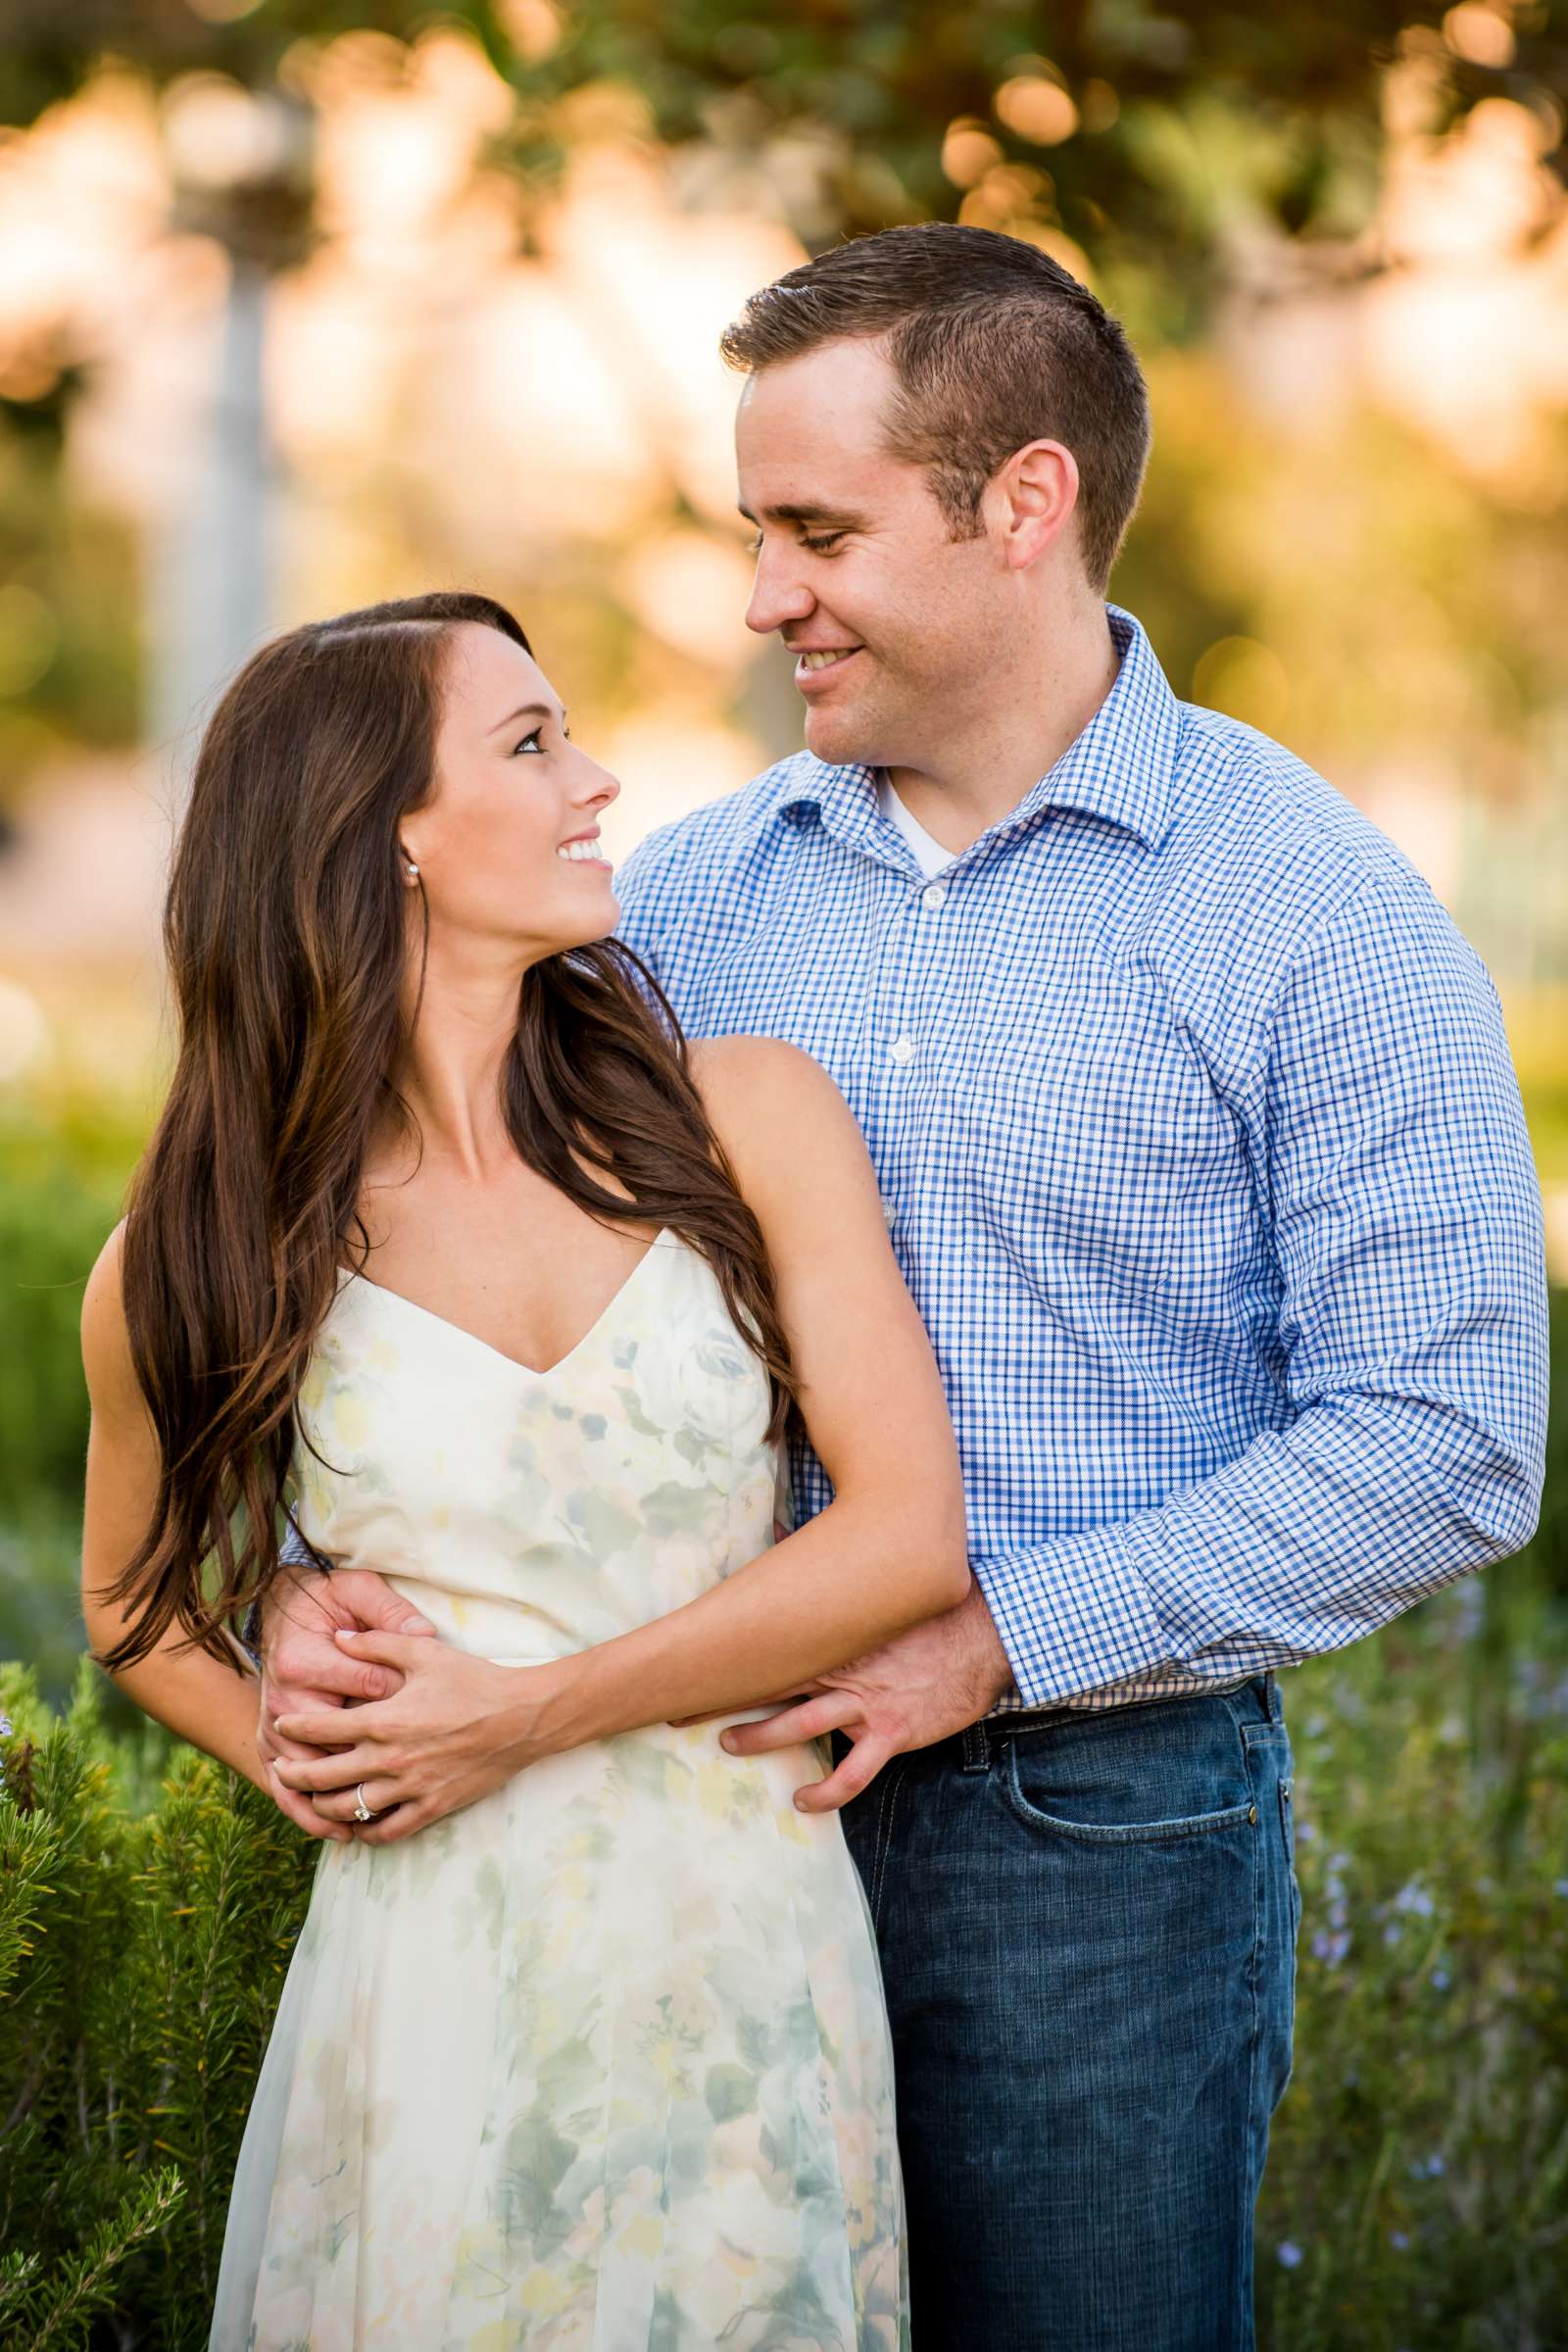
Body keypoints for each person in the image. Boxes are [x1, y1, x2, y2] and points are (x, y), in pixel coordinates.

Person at [261, 229, 1550, 2350]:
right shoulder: (677, 907)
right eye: (754, 533)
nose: (764, 596)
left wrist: (993, 1642)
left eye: (815, 532)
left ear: (1019, 505)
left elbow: (1445, 1435)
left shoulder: (1311, 914)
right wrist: (326, 1565)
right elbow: (435, 1258)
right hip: (673, 1813)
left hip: (1089, 1843)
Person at [79, 589, 972, 2349]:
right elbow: (127, 1602)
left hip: (742, 1944)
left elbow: (906, 1535)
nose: (598, 778)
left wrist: (533, 1706)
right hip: (432, 1970)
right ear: (386, 836)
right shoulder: (209, 1245)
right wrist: (290, 1727)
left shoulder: (745, 1116)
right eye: (532, 742)